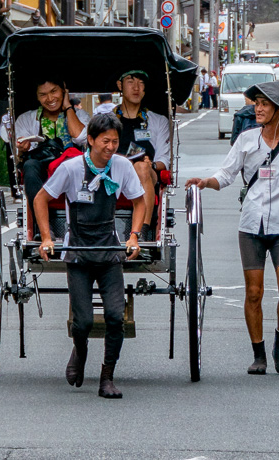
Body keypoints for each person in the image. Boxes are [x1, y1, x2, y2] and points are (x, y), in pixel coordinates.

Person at [187, 81, 279, 376]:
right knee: (254, 292)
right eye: (256, 103)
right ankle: (259, 353)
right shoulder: (245, 140)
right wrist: (206, 182)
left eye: (264, 104)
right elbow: (227, 174)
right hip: (250, 226)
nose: (258, 108)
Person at [34, 112, 145, 399]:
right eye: (105, 141)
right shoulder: (71, 169)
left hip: (109, 250)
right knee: (82, 322)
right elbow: (41, 199)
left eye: (115, 142)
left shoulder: (121, 166)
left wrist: (134, 236)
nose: (110, 147)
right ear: (91, 140)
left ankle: (107, 377)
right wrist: (47, 237)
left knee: (114, 316)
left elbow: (139, 201)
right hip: (79, 252)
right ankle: (80, 353)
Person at [0, 77, 90, 210]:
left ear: (63, 92)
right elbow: (19, 150)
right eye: (43, 95)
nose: (50, 98)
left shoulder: (80, 115)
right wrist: (23, 148)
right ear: (37, 97)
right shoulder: (26, 119)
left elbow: (80, 137)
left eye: (54, 91)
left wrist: (68, 107)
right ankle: (40, 223)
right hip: (42, 170)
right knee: (29, 165)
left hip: (74, 170)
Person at [113, 68, 170, 225]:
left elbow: (163, 159)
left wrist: (149, 163)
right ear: (120, 85)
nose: (136, 88)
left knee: (141, 167)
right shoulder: (106, 119)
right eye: (130, 82)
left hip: (145, 173)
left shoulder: (158, 121)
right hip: (111, 171)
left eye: (141, 83)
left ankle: (142, 232)